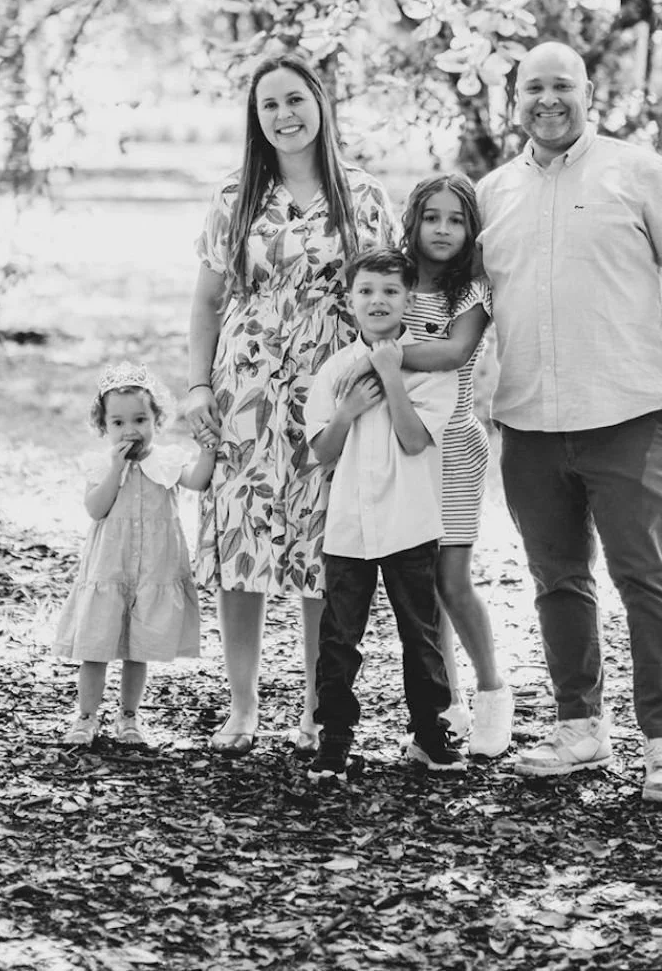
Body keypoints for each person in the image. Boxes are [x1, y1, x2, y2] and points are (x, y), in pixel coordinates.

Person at [475, 40, 662, 805]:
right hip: (528, 424)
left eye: (563, 86)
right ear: (513, 101)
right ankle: (579, 727)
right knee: (557, 580)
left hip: (628, 413)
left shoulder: (637, 172)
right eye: (533, 89)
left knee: (647, 578)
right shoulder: (492, 192)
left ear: (589, 92)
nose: (548, 100)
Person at [182, 52, 397, 757]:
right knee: (240, 544)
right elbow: (208, 300)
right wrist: (197, 386)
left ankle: (314, 707)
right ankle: (242, 706)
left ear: (320, 104)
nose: (285, 115)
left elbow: (388, 297)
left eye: (296, 100)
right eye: (270, 105)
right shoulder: (235, 196)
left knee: (318, 548)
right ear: (257, 118)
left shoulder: (361, 195)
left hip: (326, 391)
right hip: (244, 390)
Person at [302, 247, 462, 780]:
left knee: (419, 631)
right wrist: (346, 412)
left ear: (409, 298)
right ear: (349, 301)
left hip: (408, 520)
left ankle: (429, 732)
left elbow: (416, 441)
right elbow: (322, 452)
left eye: (391, 291)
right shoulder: (334, 371)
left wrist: (392, 375)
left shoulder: (430, 367)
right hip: (349, 525)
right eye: (366, 291)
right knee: (339, 636)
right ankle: (335, 737)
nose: (378, 301)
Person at [398, 174, 514, 758]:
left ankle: (495, 696)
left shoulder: (470, 293)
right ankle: (445, 703)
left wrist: (381, 355)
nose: (442, 229)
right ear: (413, 221)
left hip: (455, 448)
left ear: (471, 230)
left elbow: (452, 353)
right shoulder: (392, 283)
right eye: (432, 217)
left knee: (450, 580)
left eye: (456, 219)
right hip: (401, 445)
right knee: (418, 584)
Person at [54, 362, 215, 747]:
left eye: (140, 420)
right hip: (110, 569)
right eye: (119, 423)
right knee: (95, 646)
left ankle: (129, 717)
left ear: (156, 420)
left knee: (136, 649)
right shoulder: (103, 465)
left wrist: (208, 450)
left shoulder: (167, 461)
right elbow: (96, 508)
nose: (131, 431)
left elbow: (199, 481)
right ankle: (86, 717)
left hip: (152, 572)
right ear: (104, 428)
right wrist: (115, 469)